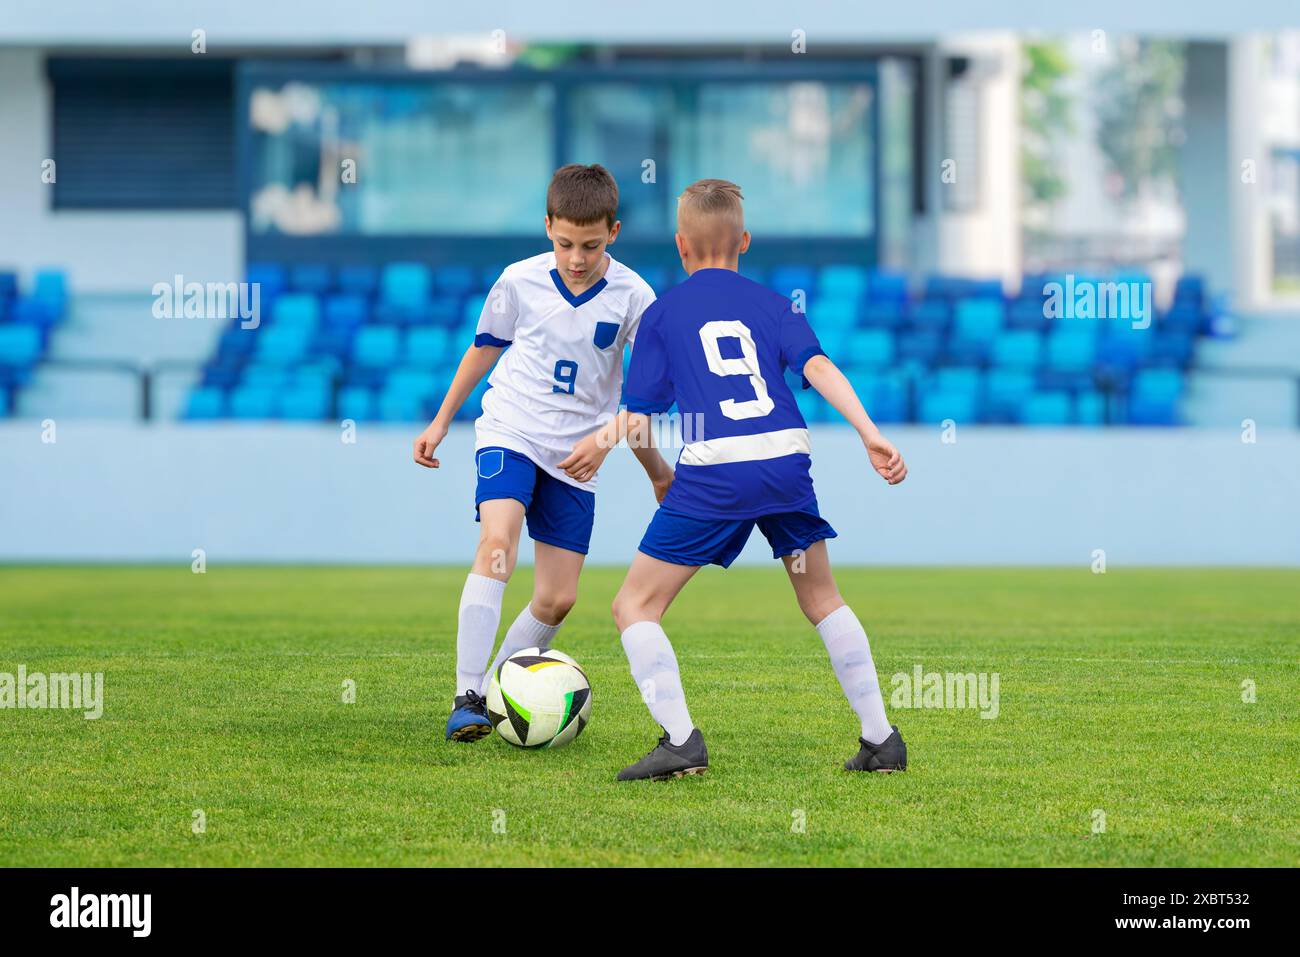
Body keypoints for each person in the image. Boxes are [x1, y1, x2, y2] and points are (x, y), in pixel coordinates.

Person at [561, 179, 908, 780]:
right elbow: (818, 366)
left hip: (718, 471)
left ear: (680, 245)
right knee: (821, 597)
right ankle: (881, 740)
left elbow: (640, 418)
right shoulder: (777, 305)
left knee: (634, 604)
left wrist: (607, 443)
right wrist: (868, 431)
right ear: (743, 241)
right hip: (786, 462)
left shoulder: (662, 315)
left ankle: (680, 742)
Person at [413, 163, 672, 742]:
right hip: (512, 429)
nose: (576, 258)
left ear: (615, 232)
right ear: (548, 225)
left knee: (557, 599)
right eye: (564, 243)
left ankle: (502, 690)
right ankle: (468, 694)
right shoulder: (518, 281)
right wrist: (441, 420)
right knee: (497, 544)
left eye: (591, 245)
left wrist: (657, 471)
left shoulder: (635, 296)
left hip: (578, 454)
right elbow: (483, 350)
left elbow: (644, 396)